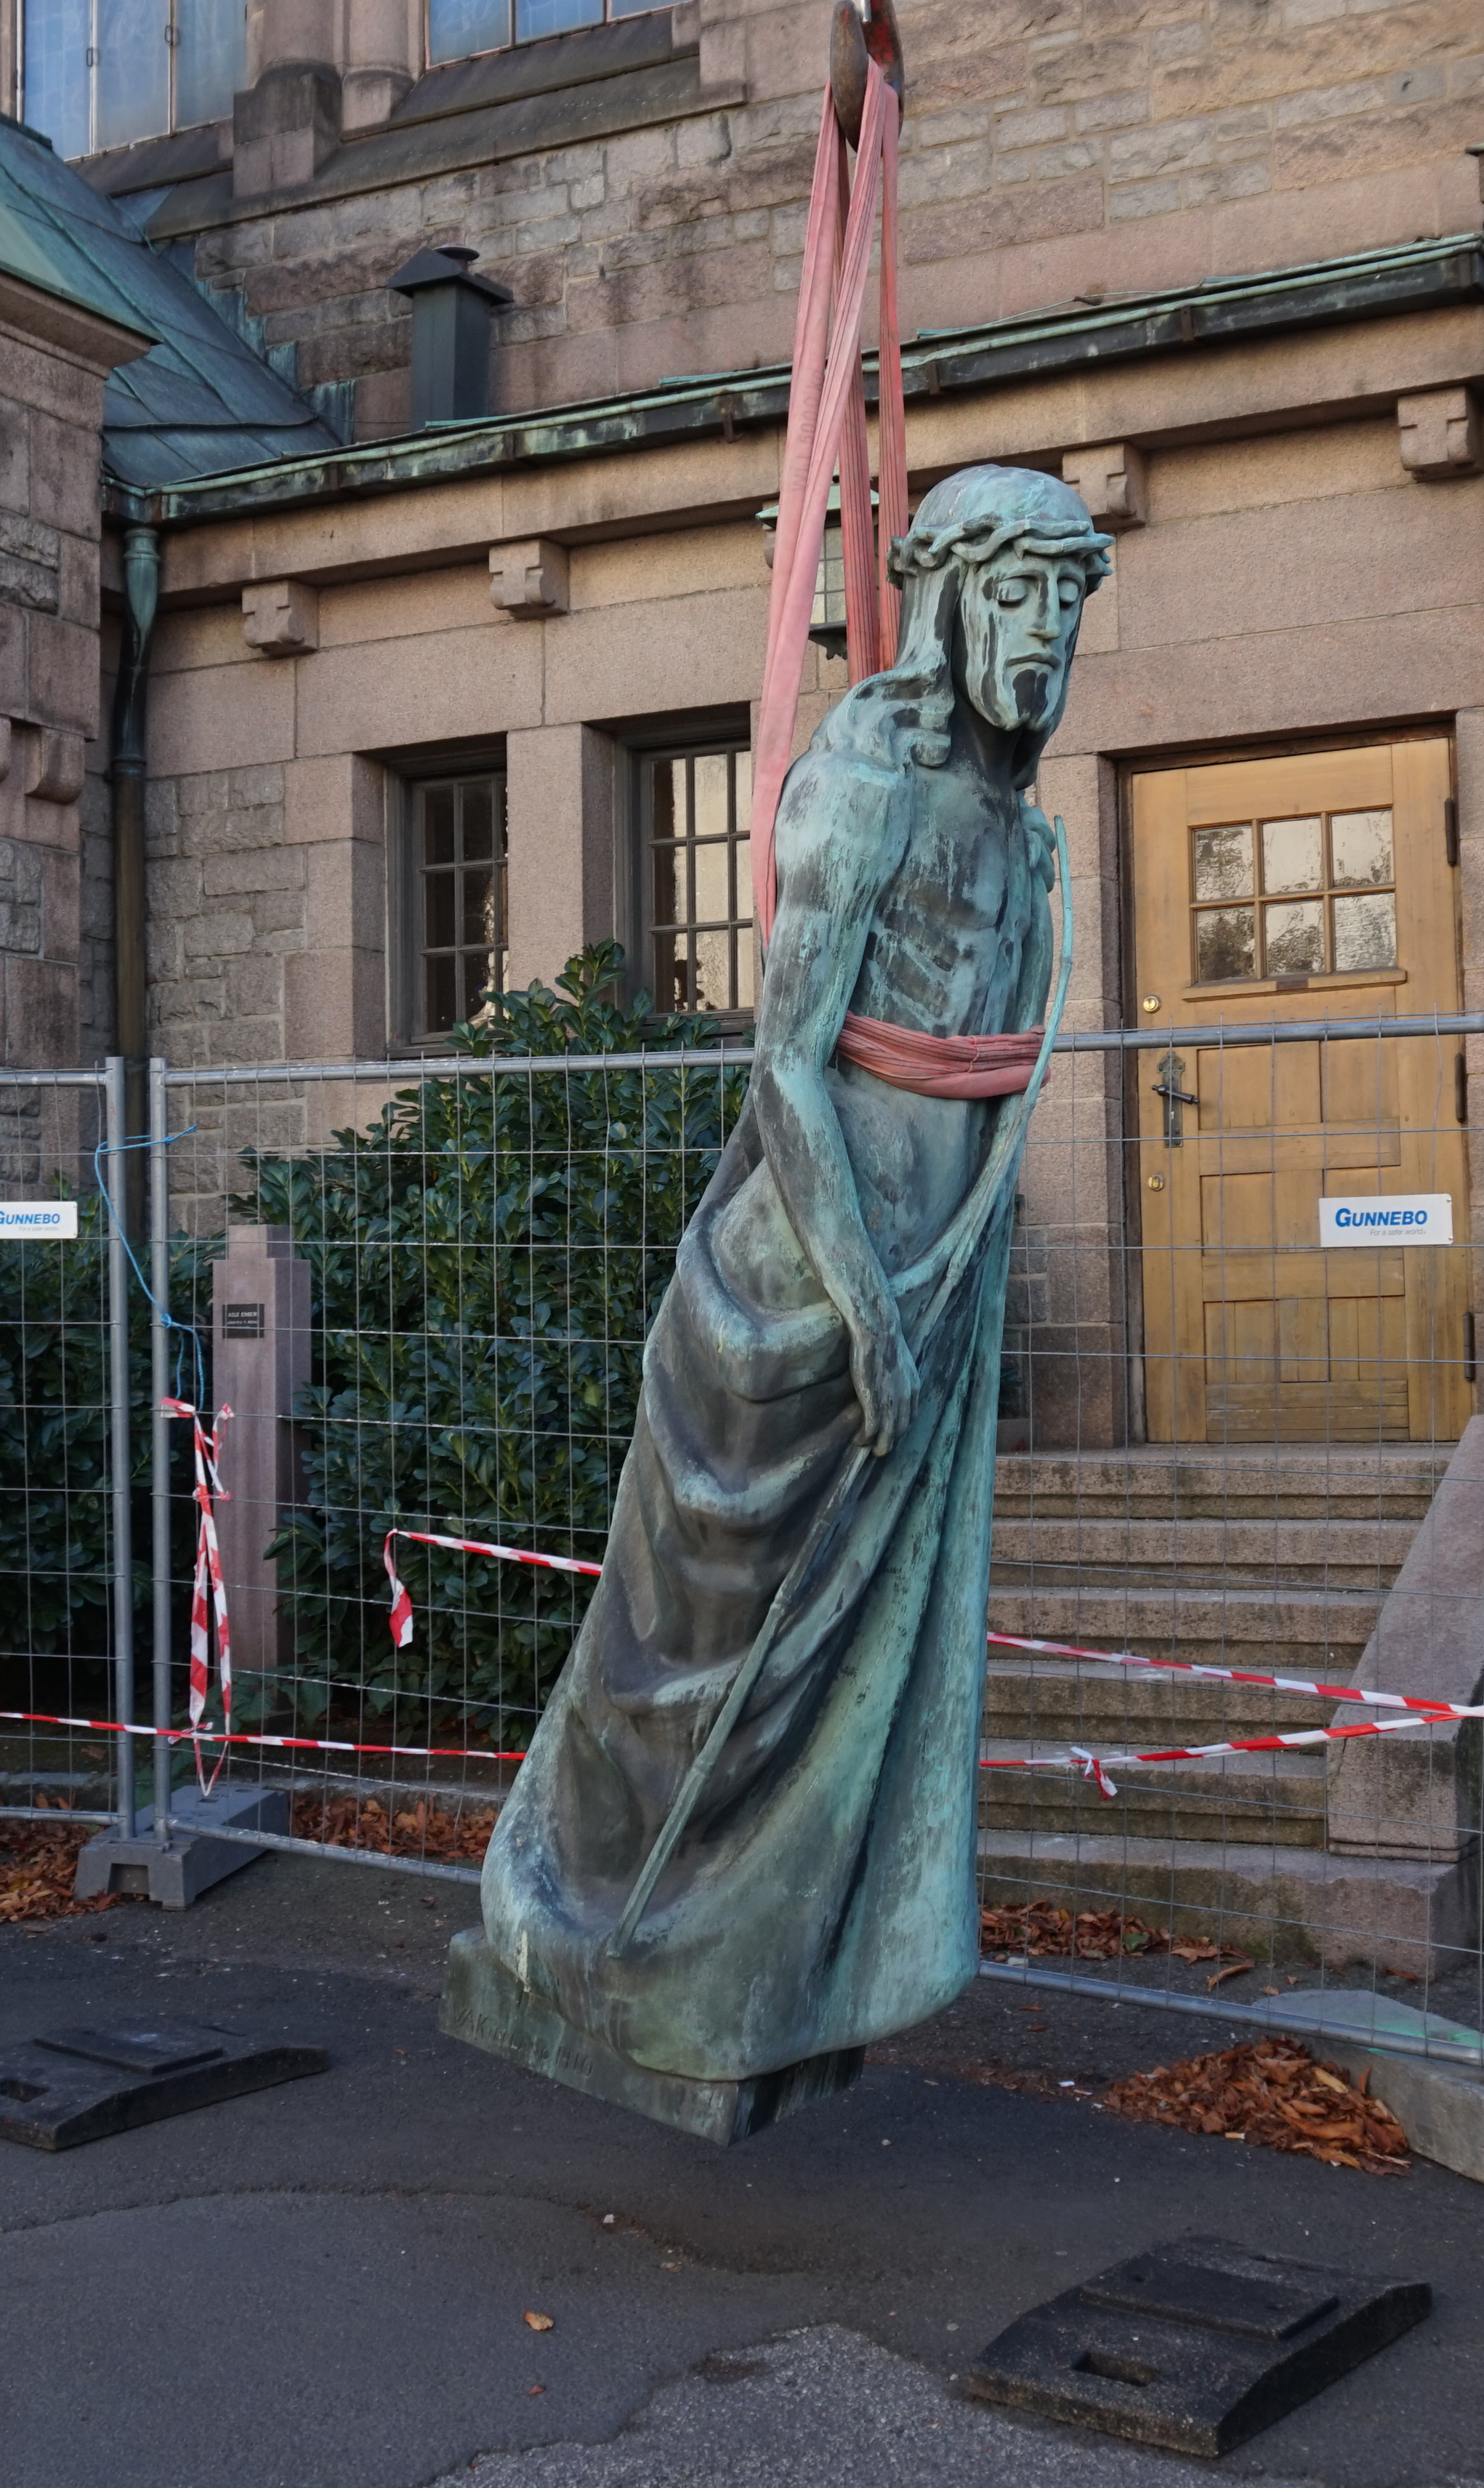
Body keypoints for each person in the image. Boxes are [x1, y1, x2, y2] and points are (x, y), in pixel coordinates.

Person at [445, 463, 1113, 2140]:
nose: (1043, 633)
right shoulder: (862, 786)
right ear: (947, 595)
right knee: (676, 1662)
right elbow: (788, 1067)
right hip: (794, 1297)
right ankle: (575, 1931)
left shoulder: (1019, 821)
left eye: (1068, 601)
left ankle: (764, 1980)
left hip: (926, 1271)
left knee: (843, 1674)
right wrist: (871, 1306)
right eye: (1016, 593)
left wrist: (936, 1290)